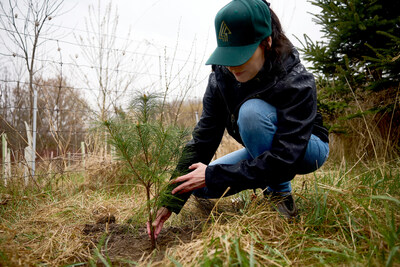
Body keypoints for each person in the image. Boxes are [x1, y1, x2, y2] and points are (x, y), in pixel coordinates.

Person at [147, 0, 329, 239]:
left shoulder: (295, 80)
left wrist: (218, 173)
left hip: (305, 148)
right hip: (266, 153)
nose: (232, 65)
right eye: (228, 55)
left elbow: (285, 158)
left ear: (266, 42)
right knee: (200, 186)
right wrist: (169, 200)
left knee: (251, 113)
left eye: (240, 54)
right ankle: (254, 188)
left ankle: (280, 196)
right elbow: (203, 141)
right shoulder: (220, 80)